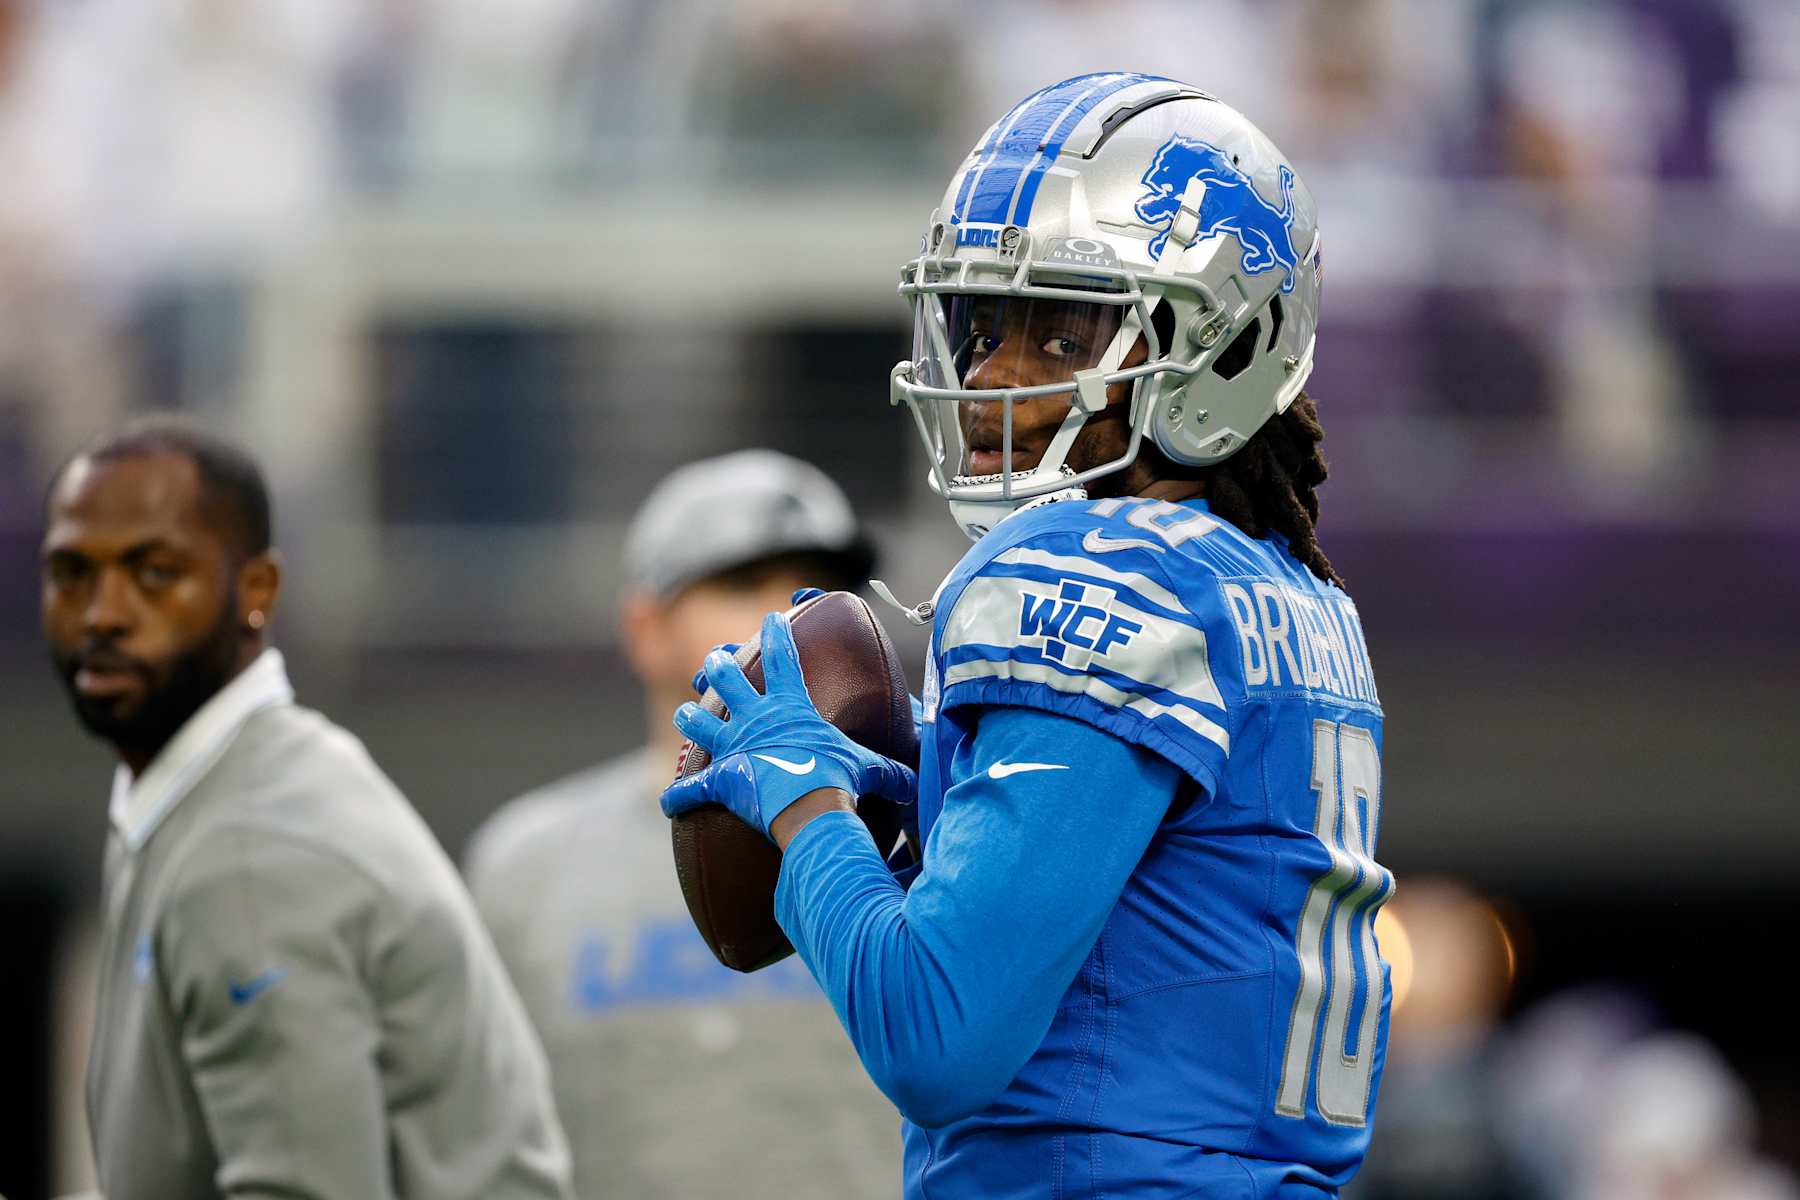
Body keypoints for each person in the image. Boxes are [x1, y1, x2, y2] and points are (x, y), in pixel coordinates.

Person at [662, 73, 1392, 1197]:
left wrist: (808, 805)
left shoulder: (1087, 573)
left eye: (1061, 339)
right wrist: (928, 791)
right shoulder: (1298, 599)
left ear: (1220, 350)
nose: (995, 379)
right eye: (986, 327)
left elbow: (936, 1036)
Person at [41, 419, 573, 1200]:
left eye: (153, 572)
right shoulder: (211, 794)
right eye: (72, 573)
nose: (103, 613)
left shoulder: (252, 855)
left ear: (256, 591)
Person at [464, 449, 900, 1200]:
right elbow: (477, 1136)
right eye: (739, 583)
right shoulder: (522, 863)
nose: (788, 619)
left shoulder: (927, 837)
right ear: (646, 626)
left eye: (820, 588)